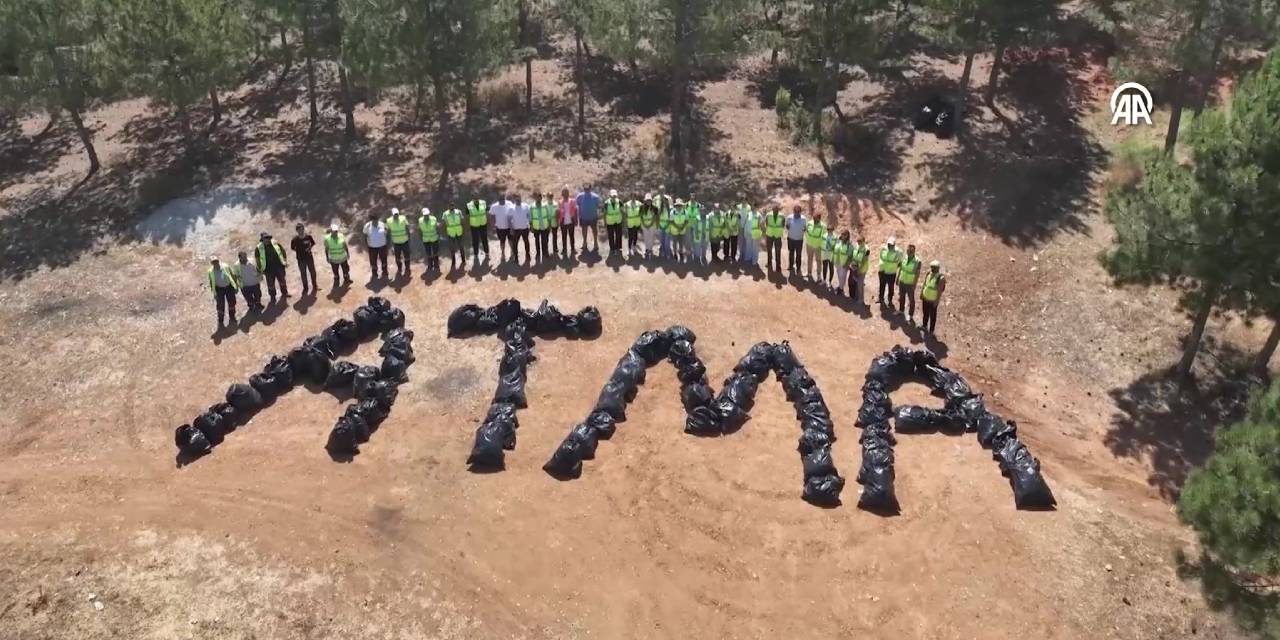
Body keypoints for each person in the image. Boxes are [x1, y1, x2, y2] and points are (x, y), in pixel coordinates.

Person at [256, 231, 290, 301]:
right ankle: (273, 297)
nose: (268, 239)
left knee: (282, 281)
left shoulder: (275, 243)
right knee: (270, 285)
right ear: (262, 239)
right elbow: (257, 259)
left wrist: (285, 261)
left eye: (268, 238)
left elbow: (283, 251)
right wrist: (260, 269)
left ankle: (284, 293)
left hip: (279, 267)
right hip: (268, 270)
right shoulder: (259, 248)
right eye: (266, 238)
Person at [207, 257, 240, 328]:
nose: (215, 263)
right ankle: (221, 320)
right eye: (213, 262)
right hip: (219, 289)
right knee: (220, 305)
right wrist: (214, 293)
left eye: (216, 261)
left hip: (229, 287)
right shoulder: (210, 271)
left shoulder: (225, 266)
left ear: (218, 261)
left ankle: (232, 317)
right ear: (211, 263)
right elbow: (211, 282)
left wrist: (236, 286)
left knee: (232, 302)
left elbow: (232, 275)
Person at [897, 243, 922, 323]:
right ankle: (901, 310)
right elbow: (901, 268)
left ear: (914, 251)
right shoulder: (904, 257)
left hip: (910, 283)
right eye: (908, 250)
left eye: (911, 250)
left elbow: (917, 274)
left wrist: (914, 284)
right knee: (901, 296)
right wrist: (898, 278)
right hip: (902, 280)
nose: (909, 252)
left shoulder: (917, 261)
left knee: (911, 300)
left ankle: (910, 315)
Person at [290, 223, 317, 294]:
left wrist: (309, 248)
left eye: (302, 229)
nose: (301, 231)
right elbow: (292, 248)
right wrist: (298, 251)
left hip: (309, 257)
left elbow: (313, 243)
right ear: (297, 231)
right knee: (303, 273)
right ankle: (305, 288)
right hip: (300, 259)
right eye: (299, 230)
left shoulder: (308, 237)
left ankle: (315, 285)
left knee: (312, 272)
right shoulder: (295, 239)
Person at [920, 261, 945, 334]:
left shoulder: (941, 278)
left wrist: (936, 301)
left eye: (934, 268)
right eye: (932, 267)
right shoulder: (928, 274)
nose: (932, 269)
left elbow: (940, 292)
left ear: (938, 268)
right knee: (925, 313)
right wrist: (922, 293)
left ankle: (931, 330)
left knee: (933, 316)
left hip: (932, 300)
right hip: (925, 298)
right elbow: (925, 284)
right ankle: (924, 326)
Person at [576, 184, 601, 255]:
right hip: (583, 217)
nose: (586, 190)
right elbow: (577, 205)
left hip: (593, 217)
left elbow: (598, 206)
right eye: (585, 189)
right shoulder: (579, 196)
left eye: (588, 189)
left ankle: (596, 243)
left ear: (590, 189)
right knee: (584, 230)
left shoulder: (595, 197)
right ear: (583, 189)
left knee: (594, 230)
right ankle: (584, 243)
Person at [877, 236, 903, 307]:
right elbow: (881, 258)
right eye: (888, 244)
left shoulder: (898, 252)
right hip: (882, 271)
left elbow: (900, 263)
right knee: (882, 285)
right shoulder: (883, 249)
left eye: (891, 245)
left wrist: (893, 267)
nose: (889, 246)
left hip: (891, 273)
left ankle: (890, 300)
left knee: (891, 287)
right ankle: (881, 298)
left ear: (894, 245)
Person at [386, 207, 412, 276]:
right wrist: (389, 243)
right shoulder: (389, 221)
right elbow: (388, 232)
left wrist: (409, 238)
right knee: (397, 257)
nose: (396, 215)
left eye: (397, 214)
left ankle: (407, 267)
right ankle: (400, 268)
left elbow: (407, 228)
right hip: (396, 243)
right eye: (395, 214)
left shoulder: (403, 218)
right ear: (392, 214)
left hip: (405, 241)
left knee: (407, 256)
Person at [362, 215, 389, 280]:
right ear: (371, 220)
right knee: (373, 261)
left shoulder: (382, 224)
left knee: (384, 260)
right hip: (372, 247)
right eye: (374, 220)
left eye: (376, 220)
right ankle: (374, 273)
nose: (375, 221)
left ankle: (385, 271)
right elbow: (365, 236)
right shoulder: (367, 226)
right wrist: (366, 245)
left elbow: (387, 232)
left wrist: (386, 241)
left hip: (382, 246)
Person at [466, 196, 489, 264]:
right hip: (474, 225)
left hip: (483, 224)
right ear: (472, 199)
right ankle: (476, 254)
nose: (476, 199)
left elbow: (487, 213)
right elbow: (467, 217)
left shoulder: (483, 203)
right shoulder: (468, 205)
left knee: (484, 239)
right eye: (474, 198)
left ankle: (487, 252)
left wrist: (490, 223)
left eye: (477, 198)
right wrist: (467, 226)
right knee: (475, 240)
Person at [443, 206, 466, 270]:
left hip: (459, 231)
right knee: (452, 247)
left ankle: (463, 259)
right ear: (448, 207)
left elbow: (462, 220)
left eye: (452, 206)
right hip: (451, 232)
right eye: (450, 206)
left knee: (461, 246)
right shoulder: (445, 214)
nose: (451, 207)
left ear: (454, 206)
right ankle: (453, 261)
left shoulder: (459, 212)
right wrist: (446, 231)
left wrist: (464, 229)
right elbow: (444, 223)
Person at [804, 214, 827, 280]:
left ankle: (819, 275)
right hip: (809, 245)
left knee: (819, 261)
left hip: (818, 246)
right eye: (813, 218)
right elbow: (806, 231)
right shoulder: (809, 223)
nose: (814, 220)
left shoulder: (823, 226)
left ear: (819, 219)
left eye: (816, 219)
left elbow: (825, 237)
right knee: (809, 259)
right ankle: (809, 273)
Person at [510, 193, 531, 264]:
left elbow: (529, 215)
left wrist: (529, 224)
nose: (518, 199)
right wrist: (511, 228)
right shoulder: (511, 208)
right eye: (516, 198)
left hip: (525, 228)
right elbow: (509, 219)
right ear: (515, 199)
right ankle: (516, 257)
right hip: (516, 229)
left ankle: (527, 255)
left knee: (526, 242)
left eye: (519, 198)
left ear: (521, 198)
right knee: (515, 244)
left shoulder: (526, 206)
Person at [490, 195, 513, 262]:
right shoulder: (494, 206)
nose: (502, 201)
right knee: (502, 242)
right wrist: (493, 227)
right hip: (500, 228)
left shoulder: (509, 203)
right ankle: (503, 254)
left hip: (509, 227)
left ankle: (512, 252)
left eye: (503, 199)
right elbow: (491, 216)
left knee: (511, 240)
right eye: (500, 199)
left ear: (504, 198)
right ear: (498, 199)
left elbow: (512, 214)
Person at [418, 207, 441, 272]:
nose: (426, 216)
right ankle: (430, 265)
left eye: (427, 215)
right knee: (428, 253)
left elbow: (437, 228)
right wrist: (421, 237)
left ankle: (436, 264)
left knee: (435, 252)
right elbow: (419, 230)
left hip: (434, 238)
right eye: (425, 215)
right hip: (426, 239)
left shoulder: (434, 219)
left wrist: (438, 236)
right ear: (422, 215)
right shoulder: (420, 220)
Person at [531, 193, 551, 263]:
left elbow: (548, 216)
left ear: (541, 198)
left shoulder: (545, 205)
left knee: (544, 240)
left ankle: (545, 252)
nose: (538, 198)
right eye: (537, 197)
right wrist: (531, 227)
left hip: (544, 226)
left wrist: (549, 225)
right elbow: (531, 217)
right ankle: (538, 253)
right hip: (536, 227)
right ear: (535, 198)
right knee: (537, 241)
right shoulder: (532, 206)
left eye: (539, 197)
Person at [786, 205, 807, 273]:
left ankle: (798, 268)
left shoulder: (803, 219)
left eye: (798, 212)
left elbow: (805, 228)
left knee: (798, 254)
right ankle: (791, 266)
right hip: (791, 239)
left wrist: (804, 229)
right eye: (795, 211)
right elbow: (787, 226)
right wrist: (788, 226)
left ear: (800, 212)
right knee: (791, 253)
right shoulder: (789, 217)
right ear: (793, 211)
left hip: (799, 240)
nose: (797, 213)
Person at [603, 189, 624, 254]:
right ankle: (612, 248)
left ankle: (618, 247)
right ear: (610, 196)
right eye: (612, 196)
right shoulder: (606, 203)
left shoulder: (619, 202)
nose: (613, 197)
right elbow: (604, 213)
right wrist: (605, 222)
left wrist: (623, 221)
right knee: (611, 235)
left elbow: (622, 212)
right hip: (610, 222)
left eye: (615, 196)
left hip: (618, 221)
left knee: (618, 235)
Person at [764, 205, 785, 271]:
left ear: (778, 210)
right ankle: (769, 262)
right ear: (772, 210)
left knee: (778, 251)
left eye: (776, 210)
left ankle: (778, 266)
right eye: (774, 210)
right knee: (769, 250)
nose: (775, 211)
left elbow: (783, 224)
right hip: (769, 235)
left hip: (777, 236)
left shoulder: (782, 216)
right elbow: (766, 223)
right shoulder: (768, 215)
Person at [557, 188, 577, 256]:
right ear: (562, 194)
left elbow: (575, 210)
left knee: (572, 236)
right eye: (564, 193)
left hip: (571, 220)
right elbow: (559, 212)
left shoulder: (573, 201)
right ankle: (564, 249)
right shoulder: (560, 202)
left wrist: (576, 220)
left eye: (566, 193)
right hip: (563, 221)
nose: (565, 194)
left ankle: (573, 249)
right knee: (564, 236)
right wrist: (559, 221)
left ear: (568, 194)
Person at [851, 236, 871, 304]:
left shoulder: (867, 249)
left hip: (862, 268)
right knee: (856, 282)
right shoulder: (857, 246)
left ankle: (861, 299)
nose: (859, 243)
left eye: (860, 242)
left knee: (860, 284)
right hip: (855, 267)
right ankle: (856, 296)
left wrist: (859, 269)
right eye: (858, 242)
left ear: (864, 241)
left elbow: (864, 260)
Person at [669, 198, 689, 262]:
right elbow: (671, 221)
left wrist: (682, 227)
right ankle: (675, 253)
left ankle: (681, 252)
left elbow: (686, 221)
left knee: (681, 243)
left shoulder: (685, 211)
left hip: (682, 230)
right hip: (675, 230)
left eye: (680, 205)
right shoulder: (673, 212)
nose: (679, 206)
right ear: (676, 206)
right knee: (674, 243)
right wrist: (678, 227)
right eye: (678, 205)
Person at [833, 231, 853, 296]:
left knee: (842, 277)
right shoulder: (839, 242)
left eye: (844, 235)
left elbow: (850, 256)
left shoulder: (849, 245)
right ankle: (840, 286)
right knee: (839, 276)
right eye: (842, 234)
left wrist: (847, 264)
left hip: (844, 264)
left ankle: (841, 289)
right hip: (837, 262)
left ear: (847, 236)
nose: (843, 236)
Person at [640, 194, 658, 258]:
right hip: (644, 224)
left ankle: (650, 249)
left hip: (652, 224)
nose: (648, 202)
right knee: (646, 237)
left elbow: (655, 217)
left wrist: (650, 224)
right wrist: (644, 224)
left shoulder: (654, 208)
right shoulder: (642, 207)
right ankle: (647, 249)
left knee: (651, 237)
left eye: (649, 200)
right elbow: (641, 216)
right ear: (645, 201)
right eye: (647, 200)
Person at [546, 191, 560, 256]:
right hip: (547, 223)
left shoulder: (556, 204)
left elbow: (557, 213)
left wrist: (558, 222)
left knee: (555, 236)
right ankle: (546, 250)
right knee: (546, 237)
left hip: (554, 223)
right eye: (549, 196)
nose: (550, 197)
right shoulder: (545, 205)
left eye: (551, 196)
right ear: (547, 197)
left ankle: (555, 248)